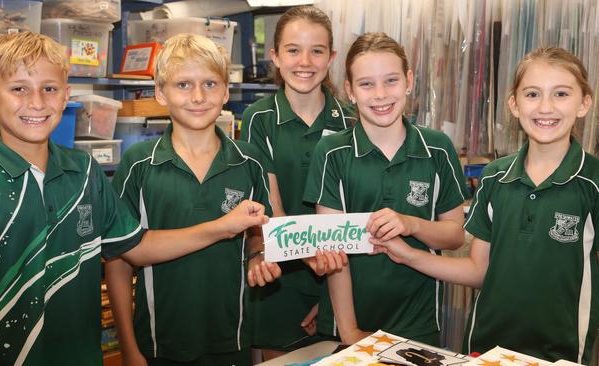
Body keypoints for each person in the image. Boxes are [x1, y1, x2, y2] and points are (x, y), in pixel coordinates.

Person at [0, 32, 267, 366]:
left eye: (50, 89)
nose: (37, 102)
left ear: (66, 96)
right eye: (18, 89)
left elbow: (136, 246)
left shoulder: (85, 172)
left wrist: (226, 228)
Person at [374, 46, 598, 363]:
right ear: (514, 105)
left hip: (560, 355)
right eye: (532, 94)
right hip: (486, 348)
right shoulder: (494, 177)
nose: (546, 107)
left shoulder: (593, 182)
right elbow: (479, 270)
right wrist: (408, 254)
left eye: (561, 94)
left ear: (584, 103)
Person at [104, 33, 279, 366]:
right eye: (183, 85)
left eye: (211, 84)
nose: (198, 96)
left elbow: (258, 237)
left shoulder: (251, 161)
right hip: (158, 342)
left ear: (227, 91)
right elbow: (119, 261)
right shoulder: (139, 164)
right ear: (160, 93)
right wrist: (128, 347)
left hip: (233, 338)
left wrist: (258, 258)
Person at [303, 32, 469, 346]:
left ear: (408, 81)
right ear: (350, 91)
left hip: (419, 321)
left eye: (391, 80)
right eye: (366, 84)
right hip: (348, 323)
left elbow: (455, 234)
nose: (380, 94)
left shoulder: (437, 148)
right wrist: (350, 331)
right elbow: (333, 248)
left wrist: (411, 224)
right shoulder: (331, 152)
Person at [239, 5, 356, 359]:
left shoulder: (352, 121)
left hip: (341, 272)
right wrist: (311, 262)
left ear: (331, 57)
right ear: (275, 56)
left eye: (317, 50)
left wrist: (331, 294)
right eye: (293, 50)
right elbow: (272, 208)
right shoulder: (258, 118)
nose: (304, 61)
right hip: (281, 276)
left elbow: (354, 209)